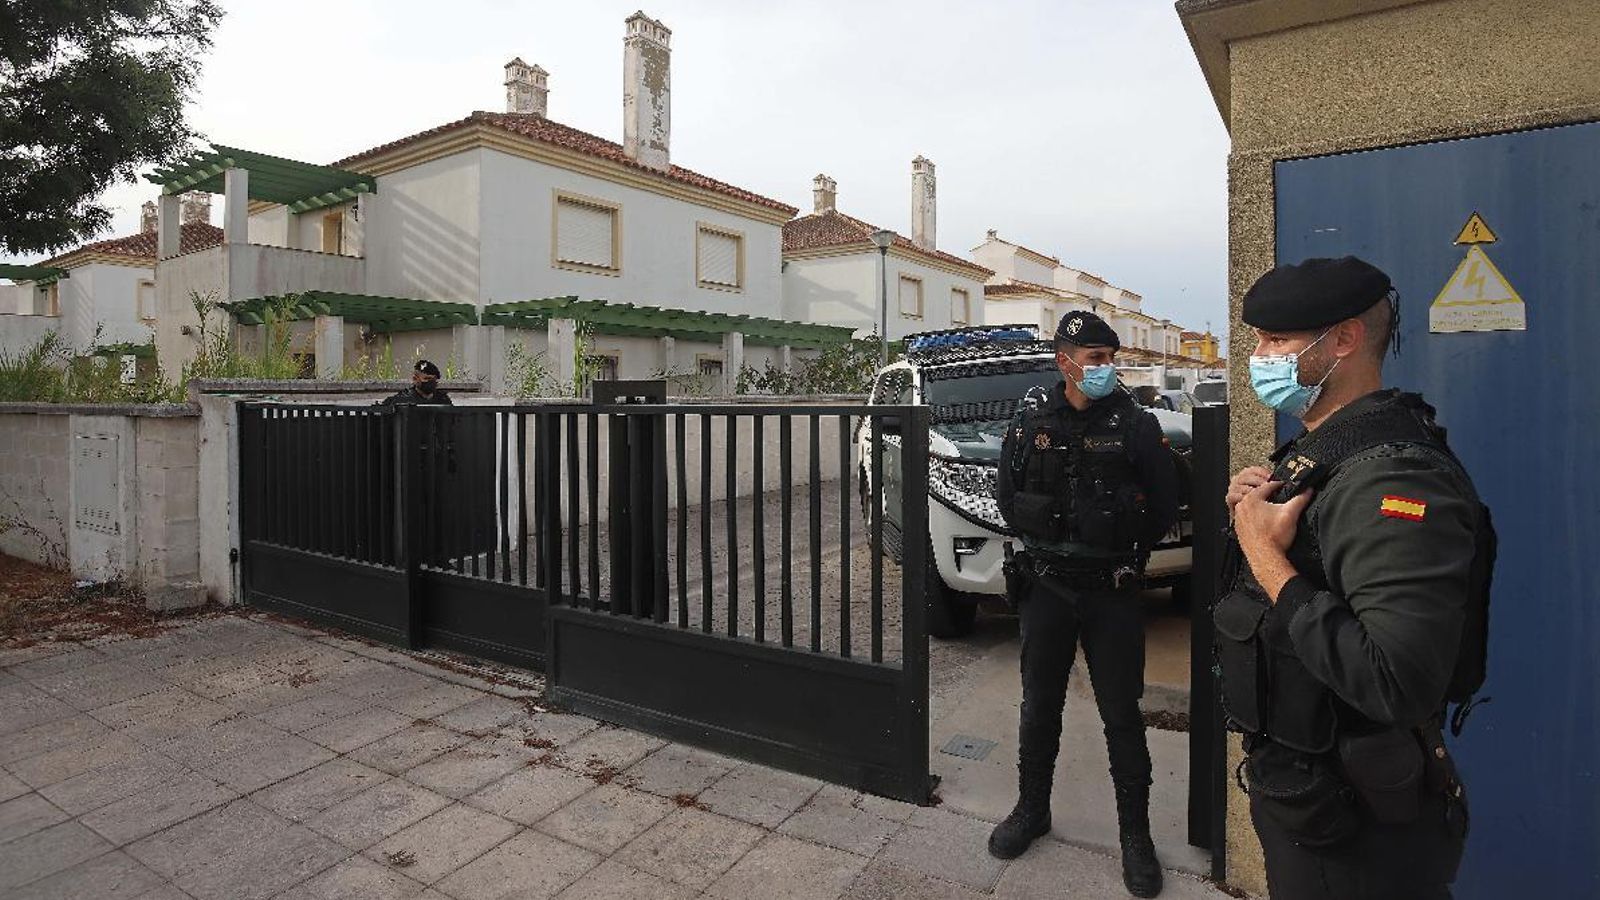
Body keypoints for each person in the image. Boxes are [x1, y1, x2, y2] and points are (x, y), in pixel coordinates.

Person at [1219, 256, 1490, 899]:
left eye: (1277, 341)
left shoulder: (1396, 475)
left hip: (1358, 823)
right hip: (1316, 794)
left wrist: (1264, 555)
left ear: (1344, 339)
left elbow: (1393, 679)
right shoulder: (1329, 446)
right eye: (1257, 339)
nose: (1258, 357)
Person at [991, 310, 1180, 898]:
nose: (1104, 369)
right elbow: (1006, 495)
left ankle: (1136, 838)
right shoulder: (1029, 424)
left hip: (1112, 592)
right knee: (1038, 706)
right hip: (1046, 588)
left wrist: (1118, 548)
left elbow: (1167, 504)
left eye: (1109, 359)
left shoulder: (1136, 425)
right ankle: (1031, 810)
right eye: (1094, 359)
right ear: (1063, 361)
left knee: (1122, 715)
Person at [380, 359, 452, 406]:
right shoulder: (401, 400)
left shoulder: (443, 399)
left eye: (434, 379)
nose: (431, 382)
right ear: (415, 379)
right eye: (427, 378)